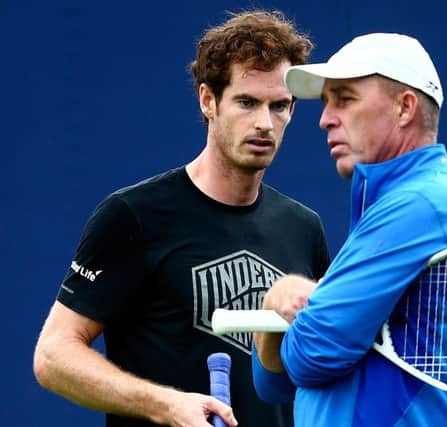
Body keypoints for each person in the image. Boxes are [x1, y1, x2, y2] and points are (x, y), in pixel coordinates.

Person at [33, 10, 330, 427]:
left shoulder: (304, 227)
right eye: (246, 102)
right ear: (208, 100)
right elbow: (53, 355)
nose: (264, 123)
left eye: (279, 106)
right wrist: (166, 405)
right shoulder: (134, 215)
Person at [252, 33, 447, 426]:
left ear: (405, 108)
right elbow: (273, 386)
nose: (324, 118)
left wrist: (304, 318)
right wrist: (276, 299)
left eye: (345, 99)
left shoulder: (425, 205)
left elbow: (311, 355)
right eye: (325, 102)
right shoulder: (394, 208)